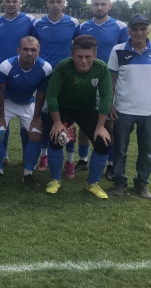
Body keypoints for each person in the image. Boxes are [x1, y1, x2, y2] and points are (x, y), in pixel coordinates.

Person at [108, 14, 151, 200]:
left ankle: (142, 183)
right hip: (123, 110)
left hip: (149, 111)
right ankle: (119, 182)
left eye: (143, 29)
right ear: (129, 30)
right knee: (119, 149)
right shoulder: (118, 50)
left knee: (146, 151)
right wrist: (110, 105)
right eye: (135, 29)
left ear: (149, 30)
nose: (139, 33)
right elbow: (112, 80)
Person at [45, 35, 113, 199]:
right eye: (79, 56)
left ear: (95, 55)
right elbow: (51, 94)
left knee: (102, 142)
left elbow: (106, 97)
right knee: (55, 138)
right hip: (64, 108)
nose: (83, 61)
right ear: (72, 55)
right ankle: (55, 180)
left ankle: (93, 183)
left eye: (88, 57)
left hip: (87, 109)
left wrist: (100, 126)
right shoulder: (63, 66)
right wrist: (57, 122)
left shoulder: (101, 68)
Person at [75, 0, 129, 178]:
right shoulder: (83, 27)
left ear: (110, 6)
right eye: (96, 4)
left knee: (110, 123)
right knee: (84, 123)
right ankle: (83, 160)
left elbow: (124, 55)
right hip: (86, 81)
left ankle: (110, 164)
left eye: (103, 4)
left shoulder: (120, 27)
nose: (99, 7)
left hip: (110, 81)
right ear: (91, 6)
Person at [0, 36, 52, 189]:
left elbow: (41, 94)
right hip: (6, 103)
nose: (29, 53)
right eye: (25, 49)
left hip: (27, 103)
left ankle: (28, 174)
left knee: (36, 133)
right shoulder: (6, 66)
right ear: (18, 50)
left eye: (33, 50)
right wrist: (0, 116)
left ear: (39, 51)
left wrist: (36, 117)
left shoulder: (46, 68)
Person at [32, 0, 80, 173]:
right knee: (45, 120)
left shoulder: (73, 23)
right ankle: (43, 156)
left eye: (59, 1)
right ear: (46, 3)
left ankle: (70, 160)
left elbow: (78, 48)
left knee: (69, 121)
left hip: (67, 78)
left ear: (64, 2)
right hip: (44, 78)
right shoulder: (38, 24)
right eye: (51, 1)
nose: (55, 5)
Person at [0, 0, 36, 165]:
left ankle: (27, 156)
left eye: (14, 1)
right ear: (3, 3)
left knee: (26, 120)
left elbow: (35, 46)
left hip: (25, 74)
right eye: (8, 1)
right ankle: (3, 155)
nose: (11, 4)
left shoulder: (30, 21)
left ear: (20, 2)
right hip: (3, 76)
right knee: (2, 117)